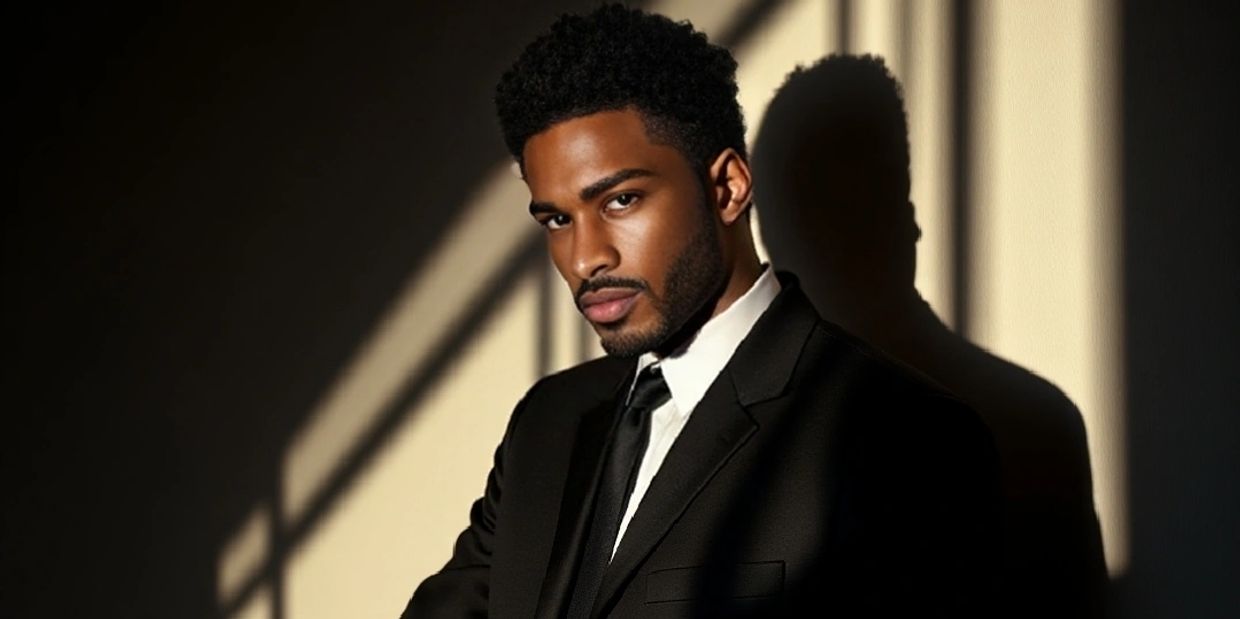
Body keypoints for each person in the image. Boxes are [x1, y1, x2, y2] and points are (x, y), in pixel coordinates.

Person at [403, 6, 1000, 617]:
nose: (584, 259)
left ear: (727, 187)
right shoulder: (546, 424)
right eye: (557, 219)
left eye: (620, 200)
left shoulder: (902, 436)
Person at [752, 54, 1107, 617]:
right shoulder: (1034, 424)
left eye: (856, 215)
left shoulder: (739, 460)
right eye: (829, 222)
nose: (843, 253)